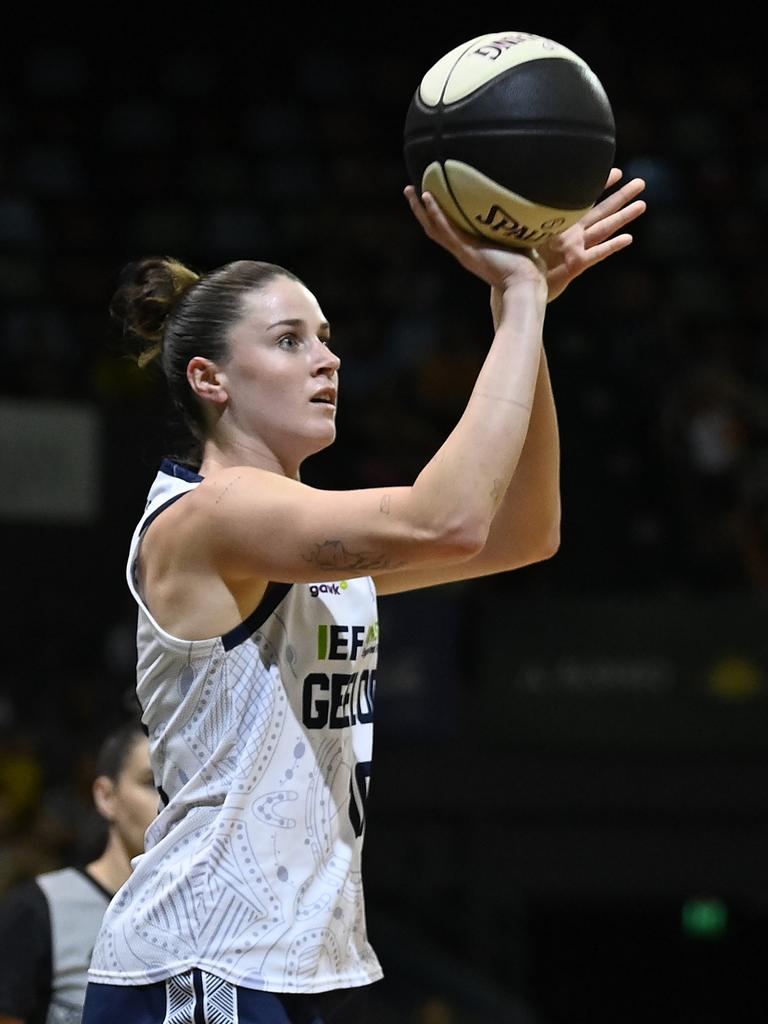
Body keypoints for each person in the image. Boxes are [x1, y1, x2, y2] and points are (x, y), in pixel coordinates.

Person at [82, 170, 646, 1024]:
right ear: (210, 379)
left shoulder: (299, 537)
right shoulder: (216, 515)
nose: (328, 358)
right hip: (204, 961)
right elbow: (450, 519)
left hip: (288, 960)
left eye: (327, 336)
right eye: (290, 341)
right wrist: (523, 295)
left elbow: (523, 532)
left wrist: (518, 326)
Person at [0, 720, 157, 1024]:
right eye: (151, 782)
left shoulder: (200, 915)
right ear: (106, 796)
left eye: (179, 784)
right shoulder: (39, 908)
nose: (167, 801)